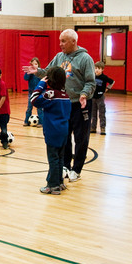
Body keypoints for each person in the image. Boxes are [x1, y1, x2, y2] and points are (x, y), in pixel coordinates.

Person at [23, 29, 95, 182]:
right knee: (65, 136)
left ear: (73, 42)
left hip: (80, 104)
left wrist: (84, 94)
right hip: (63, 104)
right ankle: (65, 166)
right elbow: (49, 72)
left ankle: (77, 169)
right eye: (60, 40)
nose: (60, 44)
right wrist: (38, 72)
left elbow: (90, 82)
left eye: (63, 41)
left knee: (81, 138)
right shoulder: (59, 57)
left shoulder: (85, 58)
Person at [30, 67, 71, 194]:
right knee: (60, 157)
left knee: (53, 158)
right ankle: (59, 182)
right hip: (64, 131)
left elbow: (34, 99)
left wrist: (41, 83)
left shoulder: (50, 95)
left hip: (53, 131)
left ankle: (52, 186)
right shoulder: (66, 95)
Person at [90, 61, 114, 135]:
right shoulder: (92, 76)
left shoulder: (104, 77)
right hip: (93, 97)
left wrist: (107, 88)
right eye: (96, 68)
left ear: (102, 69)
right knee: (93, 114)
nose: (97, 70)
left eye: (99, 68)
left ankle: (102, 128)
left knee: (102, 113)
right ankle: (93, 127)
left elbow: (112, 81)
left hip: (100, 97)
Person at [22, 57, 43, 126]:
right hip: (31, 93)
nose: (34, 65)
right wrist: (28, 72)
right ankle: (26, 121)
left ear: (38, 65)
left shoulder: (40, 73)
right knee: (29, 108)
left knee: (39, 108)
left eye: (36, 64)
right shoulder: (30, 73)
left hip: (39, 93)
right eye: (32, 64)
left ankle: (41, 122)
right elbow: (25, 78)